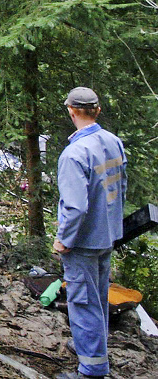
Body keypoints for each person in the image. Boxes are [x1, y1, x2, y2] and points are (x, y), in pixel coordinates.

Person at [53, 87, 126, 379]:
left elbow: (75, 207)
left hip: (82, 241)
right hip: (107, 234)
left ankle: (92, 370)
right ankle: (89, 347)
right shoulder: (113, 141)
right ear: (97, 111)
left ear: (72, 111)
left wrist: (64, 240)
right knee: (96, 297)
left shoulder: (74, 153)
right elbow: (121, 187)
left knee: (83, 303)